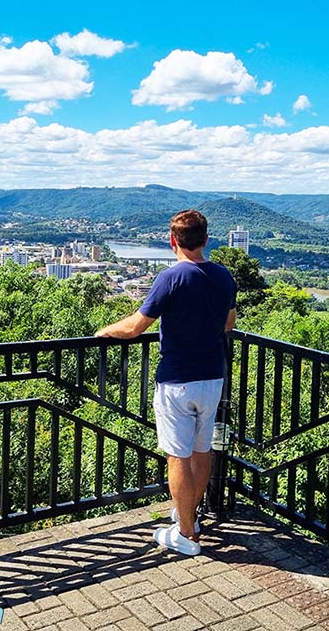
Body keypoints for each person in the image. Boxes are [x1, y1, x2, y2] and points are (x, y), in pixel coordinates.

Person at [95, 209, 237, 556]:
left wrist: (103, 332)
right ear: (205, 239)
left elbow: (134, 328)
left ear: (172, 241)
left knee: (177, 456)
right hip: (212, 377)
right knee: (202, 451)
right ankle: (191, 514)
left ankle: (186, 534)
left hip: (177, 380)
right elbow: (229, 324)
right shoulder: (224, 277)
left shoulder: (171, 278)